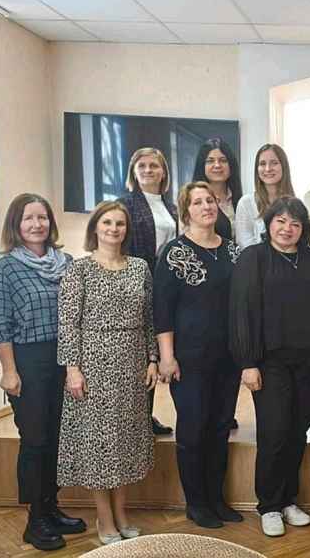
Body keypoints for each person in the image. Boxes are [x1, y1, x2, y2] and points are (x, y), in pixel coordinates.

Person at [56, 200, 158, 545]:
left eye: (120, 223)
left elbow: (149, 319)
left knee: (125, 442)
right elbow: (68, 324)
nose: (114, 229)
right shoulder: (79, 269)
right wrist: (72, 369)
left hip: (132, 364)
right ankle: (104, 517)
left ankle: (122, 513)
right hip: (93, 365)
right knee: (98, 444)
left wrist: (152, 358)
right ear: (95, 228)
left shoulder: (140, 268)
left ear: (126, 230)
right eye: (107, 223)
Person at [0, 193, 84, 551]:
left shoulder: (68, 263)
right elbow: (0, 325)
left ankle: (51, 507)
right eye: (28, 218)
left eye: (42, 217)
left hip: (66, 360)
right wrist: (9, 371)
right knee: (36, 440)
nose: (36, 224)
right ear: (16, 225)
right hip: (29, 361)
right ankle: (35, 520)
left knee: (60, 438)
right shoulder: (4, 269)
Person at [230, 197, 310, 537]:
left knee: (297, 432)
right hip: (269, 363)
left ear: (303, 229)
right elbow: (241, 311)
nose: (287, 229)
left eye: (295, 224)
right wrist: (248, 362)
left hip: (309, 361)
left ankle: (288, 500)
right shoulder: (253, 258)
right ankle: (268, 505)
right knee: (274, 432)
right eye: (281, 221)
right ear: (269, 224)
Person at [154, 182, 242, 530]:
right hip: (189, 359)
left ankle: (217, 499)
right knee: (193, 429)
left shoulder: (233, 251)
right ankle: (197, 503)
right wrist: (167, 357)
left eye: (210, 200)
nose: (206, 206)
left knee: (220, 428)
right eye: (197, 202)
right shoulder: (174, 252)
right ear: (185, 211)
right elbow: (162, 310)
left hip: (228, 358)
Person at [119, 147, 177, 437]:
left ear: (163, 171)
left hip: (166, 284)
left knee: (155, 352)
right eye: (141, 165)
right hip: (138, 284)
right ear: (133, 171)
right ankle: (135, 418)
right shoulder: (125, 204)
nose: (148, 170)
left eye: (154, 165)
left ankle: (146, 414)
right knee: (140, 353)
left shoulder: (172, 206)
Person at [234, 144, 295, 249]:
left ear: (283, 166)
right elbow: (244, 244)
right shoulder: (246, 203)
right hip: (255, 259)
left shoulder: (295, 204)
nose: (268, 169)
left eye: (274, 163)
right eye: (262, 164)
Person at [192, 138, 242, 241]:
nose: (217, 165)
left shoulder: (240, 201)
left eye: (223, 160)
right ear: (202, 166)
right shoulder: (192, 201)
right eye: (210, 161)